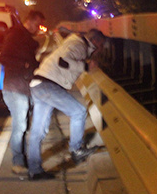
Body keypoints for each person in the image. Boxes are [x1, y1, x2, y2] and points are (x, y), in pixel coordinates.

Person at [27, 28, 107, 181]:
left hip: (39, 84)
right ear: (95, 41)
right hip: (48, 85)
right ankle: (76, 150)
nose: (101, 49)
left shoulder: (74, 41)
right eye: (101, 45)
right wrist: (86, 66)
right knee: (79, 112)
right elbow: (63, 60)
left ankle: (34, 170)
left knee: (38, 132)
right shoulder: (79, 45)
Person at [0, 10, 46, 175]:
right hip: (15, 87)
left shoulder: (24, 37)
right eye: (37, 24)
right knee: (20, 126)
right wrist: (25, 65)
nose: (38, 28)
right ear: (30, 21)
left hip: (22, 87)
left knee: (22, 125)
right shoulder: (16, 36)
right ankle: (17, 161)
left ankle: (22, 158)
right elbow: (3, 58)